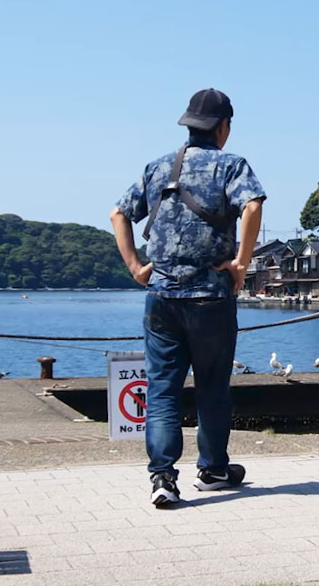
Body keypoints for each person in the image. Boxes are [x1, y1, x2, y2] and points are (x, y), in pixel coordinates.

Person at [110, 88, 265, 508]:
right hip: (210, 299)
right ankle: (213, 469)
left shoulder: (158, 167)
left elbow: (118, 214)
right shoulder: (231, 165)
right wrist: (241, 263)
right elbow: (252, 206)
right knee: (213, 387)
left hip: (160, 297)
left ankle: (162, 477)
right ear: (223, 126)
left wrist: (137, 268)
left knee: (162, 390)